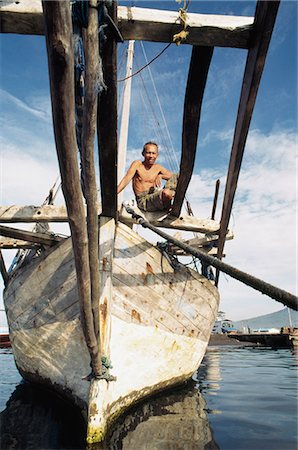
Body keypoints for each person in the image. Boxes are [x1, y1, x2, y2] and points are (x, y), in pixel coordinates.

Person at [117, 141, 178, 212]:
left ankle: (170, 202)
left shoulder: (158, 167)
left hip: (155, 195)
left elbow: (173, 177)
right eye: (148, 153)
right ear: (143, 154)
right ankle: (167, 206)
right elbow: (126, 180)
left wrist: (161, 176)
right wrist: (114, 195)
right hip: (143, 201)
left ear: (157, 155)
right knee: (166, 193)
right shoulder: (137, 165)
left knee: (178, 176)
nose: (151, 156)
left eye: (153, 153)